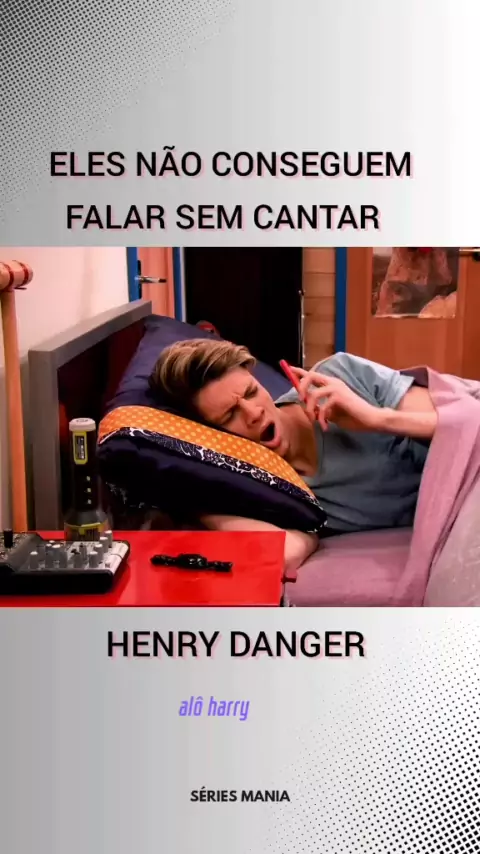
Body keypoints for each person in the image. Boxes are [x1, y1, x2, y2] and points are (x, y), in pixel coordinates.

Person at [149, 339, 438, 574]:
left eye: (251, 392)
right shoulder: (266, 488)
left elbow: (457, 423)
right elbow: (284, 553)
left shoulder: (338, 377)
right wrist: (197, 495)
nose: (253, 413)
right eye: (229, 415)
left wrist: (375, 419)